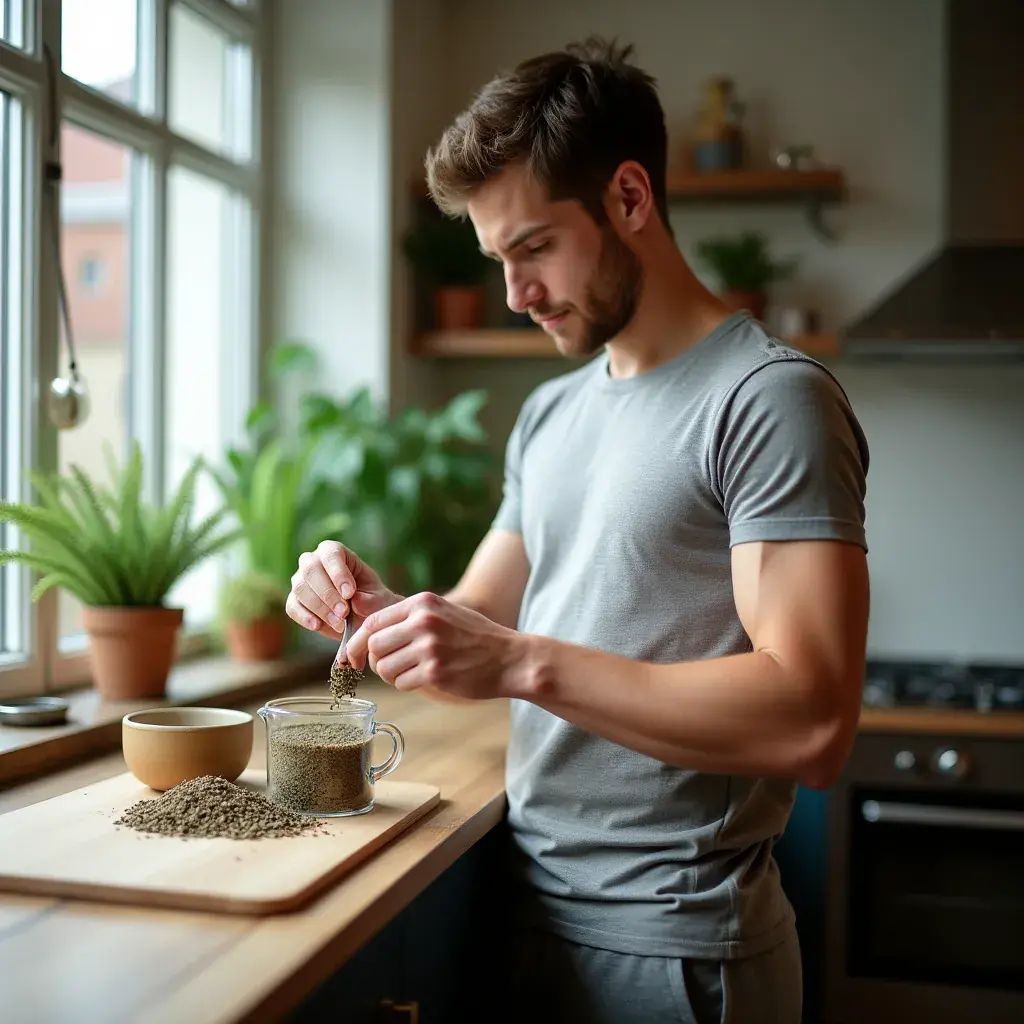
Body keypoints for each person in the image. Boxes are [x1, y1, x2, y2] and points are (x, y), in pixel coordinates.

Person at [286, 36, 870, 1024]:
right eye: (496, 260)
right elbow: (479, 616)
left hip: (679, 947)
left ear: (630, 200)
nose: (515, 295)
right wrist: (379, 610)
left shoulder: (768, 400)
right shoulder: (552, 414)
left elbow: (810, 720)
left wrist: (518, 662)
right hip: (526, 912)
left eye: (533, 248)